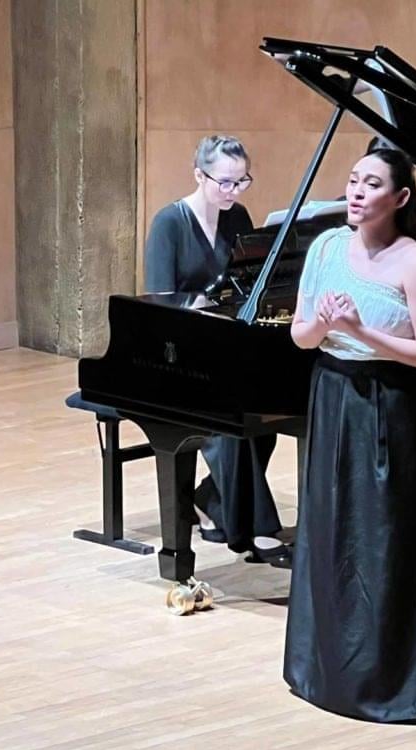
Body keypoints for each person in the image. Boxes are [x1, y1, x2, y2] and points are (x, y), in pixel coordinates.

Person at [284, 147, 416, 722]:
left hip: (393, 408)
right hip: (333, 396)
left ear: (400, 199)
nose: (357, 192)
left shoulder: (415, 264)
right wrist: (327, 326)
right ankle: (327, 672)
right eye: (354, 181)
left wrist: (361, 330)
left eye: (372, 184)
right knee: (333, 529)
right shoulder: (325, 247)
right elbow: (300, 336)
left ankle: (395, 683)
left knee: (385, 540)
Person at [143, 135, 291, 569]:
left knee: (264, 421)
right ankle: (261, 532)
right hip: (177, 357)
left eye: (241, 181)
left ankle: (209, 499)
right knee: (228, 428)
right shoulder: (170, 223)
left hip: (223, 351)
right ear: (198, 175)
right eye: (223, 182)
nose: (232, 192)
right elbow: (158, 304)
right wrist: (196, 308)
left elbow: (244, 283)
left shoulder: (237, 217)